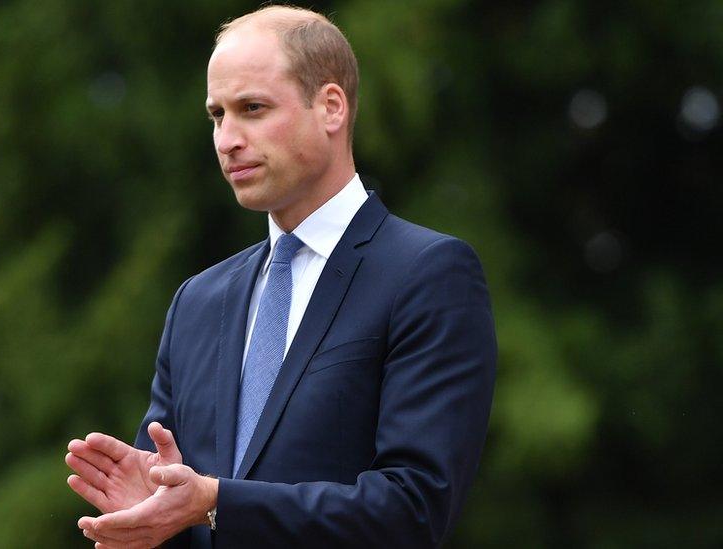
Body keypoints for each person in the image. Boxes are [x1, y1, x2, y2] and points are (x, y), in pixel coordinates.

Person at [65, 5, 496, 548]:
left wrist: (217, 503)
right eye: (217, 115)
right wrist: (148, 521)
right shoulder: (198, 301)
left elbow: (414, 509)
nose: (227, 139)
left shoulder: (427, 274)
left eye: (252, 108)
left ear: (331, 107)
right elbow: (183, 510)